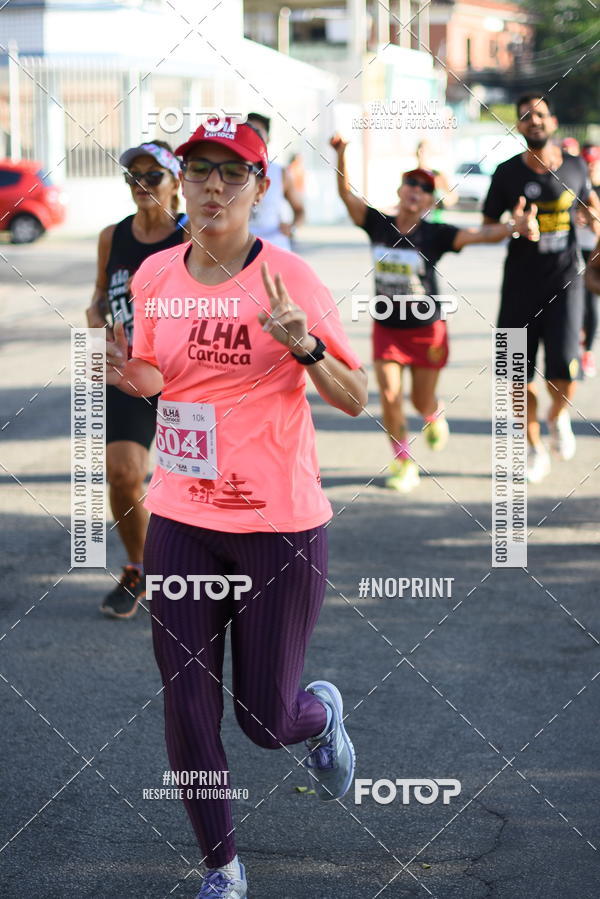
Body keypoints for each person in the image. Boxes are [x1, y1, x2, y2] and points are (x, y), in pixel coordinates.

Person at [105, 118, 367, 898]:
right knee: (186, 702)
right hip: (183, 517)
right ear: (181, 181)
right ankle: (222, 866)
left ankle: (317, 716)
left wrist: (305, 347)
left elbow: (356, 400)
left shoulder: (291, 279)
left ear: (259, 186)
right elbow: (161, 375)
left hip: (277, 524)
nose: (213, 186)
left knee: (263, 719)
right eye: (200, 171)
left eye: (233, 173)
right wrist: (131, 378)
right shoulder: (154, 275)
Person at [330, 133, 538, 494]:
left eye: (424, 187)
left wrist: (512, 227)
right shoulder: (377, 224)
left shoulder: (436, 234)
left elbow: (479, 234)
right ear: (399, 190)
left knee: (419, 400)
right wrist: (342, 155)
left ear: (430, 201)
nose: (415, 189)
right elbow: (346, 195)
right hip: (388, 330)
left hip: (427, 331)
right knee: (391, 397)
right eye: (410, 182)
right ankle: (403, 462)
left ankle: (432, 413)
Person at [86, 141, 188, 618]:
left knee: (200, 484)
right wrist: (95, 343)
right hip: (128, 373)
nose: (142, 186)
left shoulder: (195, 236)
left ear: (175, 183)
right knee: (124, 474)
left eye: (153, 176)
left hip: (189, 375)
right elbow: (99, 300)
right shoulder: (112, 235)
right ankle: (141, 568)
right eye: (134, 177)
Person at [483, 95, 600, 483]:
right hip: (518, 287)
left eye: (541, 114)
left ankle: (557, 416)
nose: (534, 121)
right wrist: (512, 227)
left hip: (567, 284)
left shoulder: (577, 167)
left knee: (564, 375)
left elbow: (593, 210)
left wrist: (595, 222)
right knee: (516, 376)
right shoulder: (505, 174)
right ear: (518, 126)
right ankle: (533, 446)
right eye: (525, 117)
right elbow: (485, 228)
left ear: (552, 121)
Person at [246, 112, 305, 250]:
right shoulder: (229, 170)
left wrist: (292, 228)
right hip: (241, 250)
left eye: (258, 132)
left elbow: (300, 210)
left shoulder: (280, 172)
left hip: (274, 246)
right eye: (248, 131)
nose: (253, 136)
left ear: (268, 138)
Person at [578, 145, 600, 376]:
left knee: (592, 302)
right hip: (576, 251)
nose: (591, 167)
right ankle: (577, 341)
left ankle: (588, 353)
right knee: (576, 300)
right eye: (587, 163)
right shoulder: (576, 186)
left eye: (594, 162)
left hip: (596, 253)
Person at [416, 138, 457, 222]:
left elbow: (452, 198)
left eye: (425, 151)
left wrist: (440, 193)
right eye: (420, 150)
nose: (421, 154)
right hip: (417, 220)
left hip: (436, 219)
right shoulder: (410, 176)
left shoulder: (438, 176)